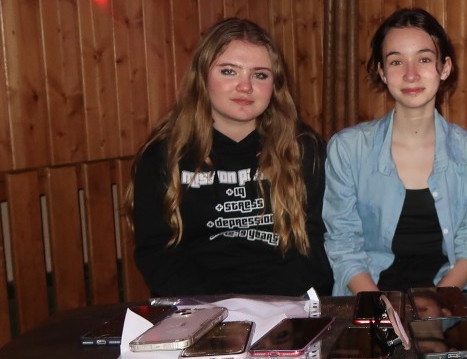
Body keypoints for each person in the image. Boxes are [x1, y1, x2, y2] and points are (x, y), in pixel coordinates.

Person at [129, 17, 334, 296]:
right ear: (202, 76)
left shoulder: (304, 148)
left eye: (260, 75)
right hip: (198, 306)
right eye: (229, 71)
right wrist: (222, 306)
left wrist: (265, 305)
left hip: (286, 302)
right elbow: (157, 253)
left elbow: (319, 244)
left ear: (275, 84)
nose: (245, 86)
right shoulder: (163, 154)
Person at [322, 8, 467, 295]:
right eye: (397, 61)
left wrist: (438, 304)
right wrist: (379, 310)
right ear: (382, 72)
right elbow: (343, 244)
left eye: (424, 59)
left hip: (450, 297)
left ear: (445, 67)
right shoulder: (348, 149)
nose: (411, 74)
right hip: (368, 297)